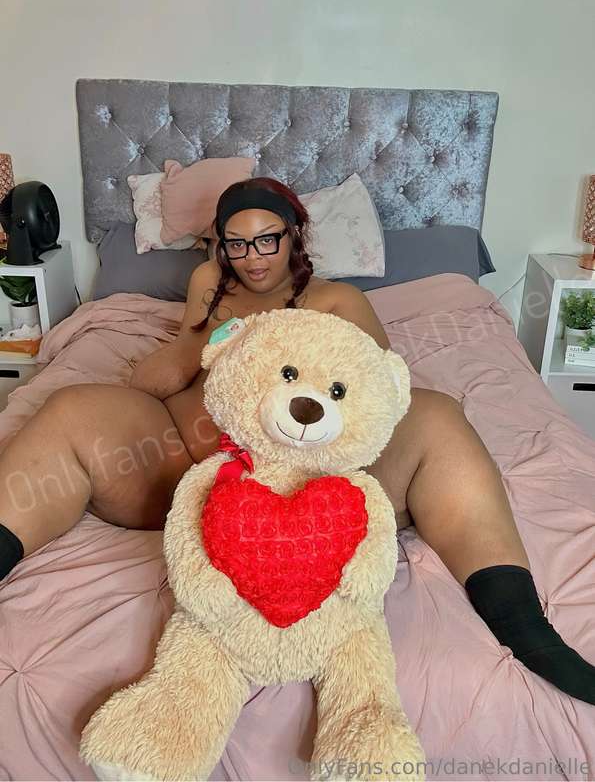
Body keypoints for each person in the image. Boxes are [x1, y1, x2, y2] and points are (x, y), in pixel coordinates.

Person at [0, 177, 593, 705]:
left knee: (437, 414)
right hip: (193, 469)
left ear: (294, 236)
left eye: (267, 240)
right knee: (72, 407)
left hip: (310, 482)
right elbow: (159, 375)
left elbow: (382, 394)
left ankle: (525, 627)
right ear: (218, 246)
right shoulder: (208, 283)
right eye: (236, 243)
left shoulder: (338, 300)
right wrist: (202, 343)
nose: (252, 258)